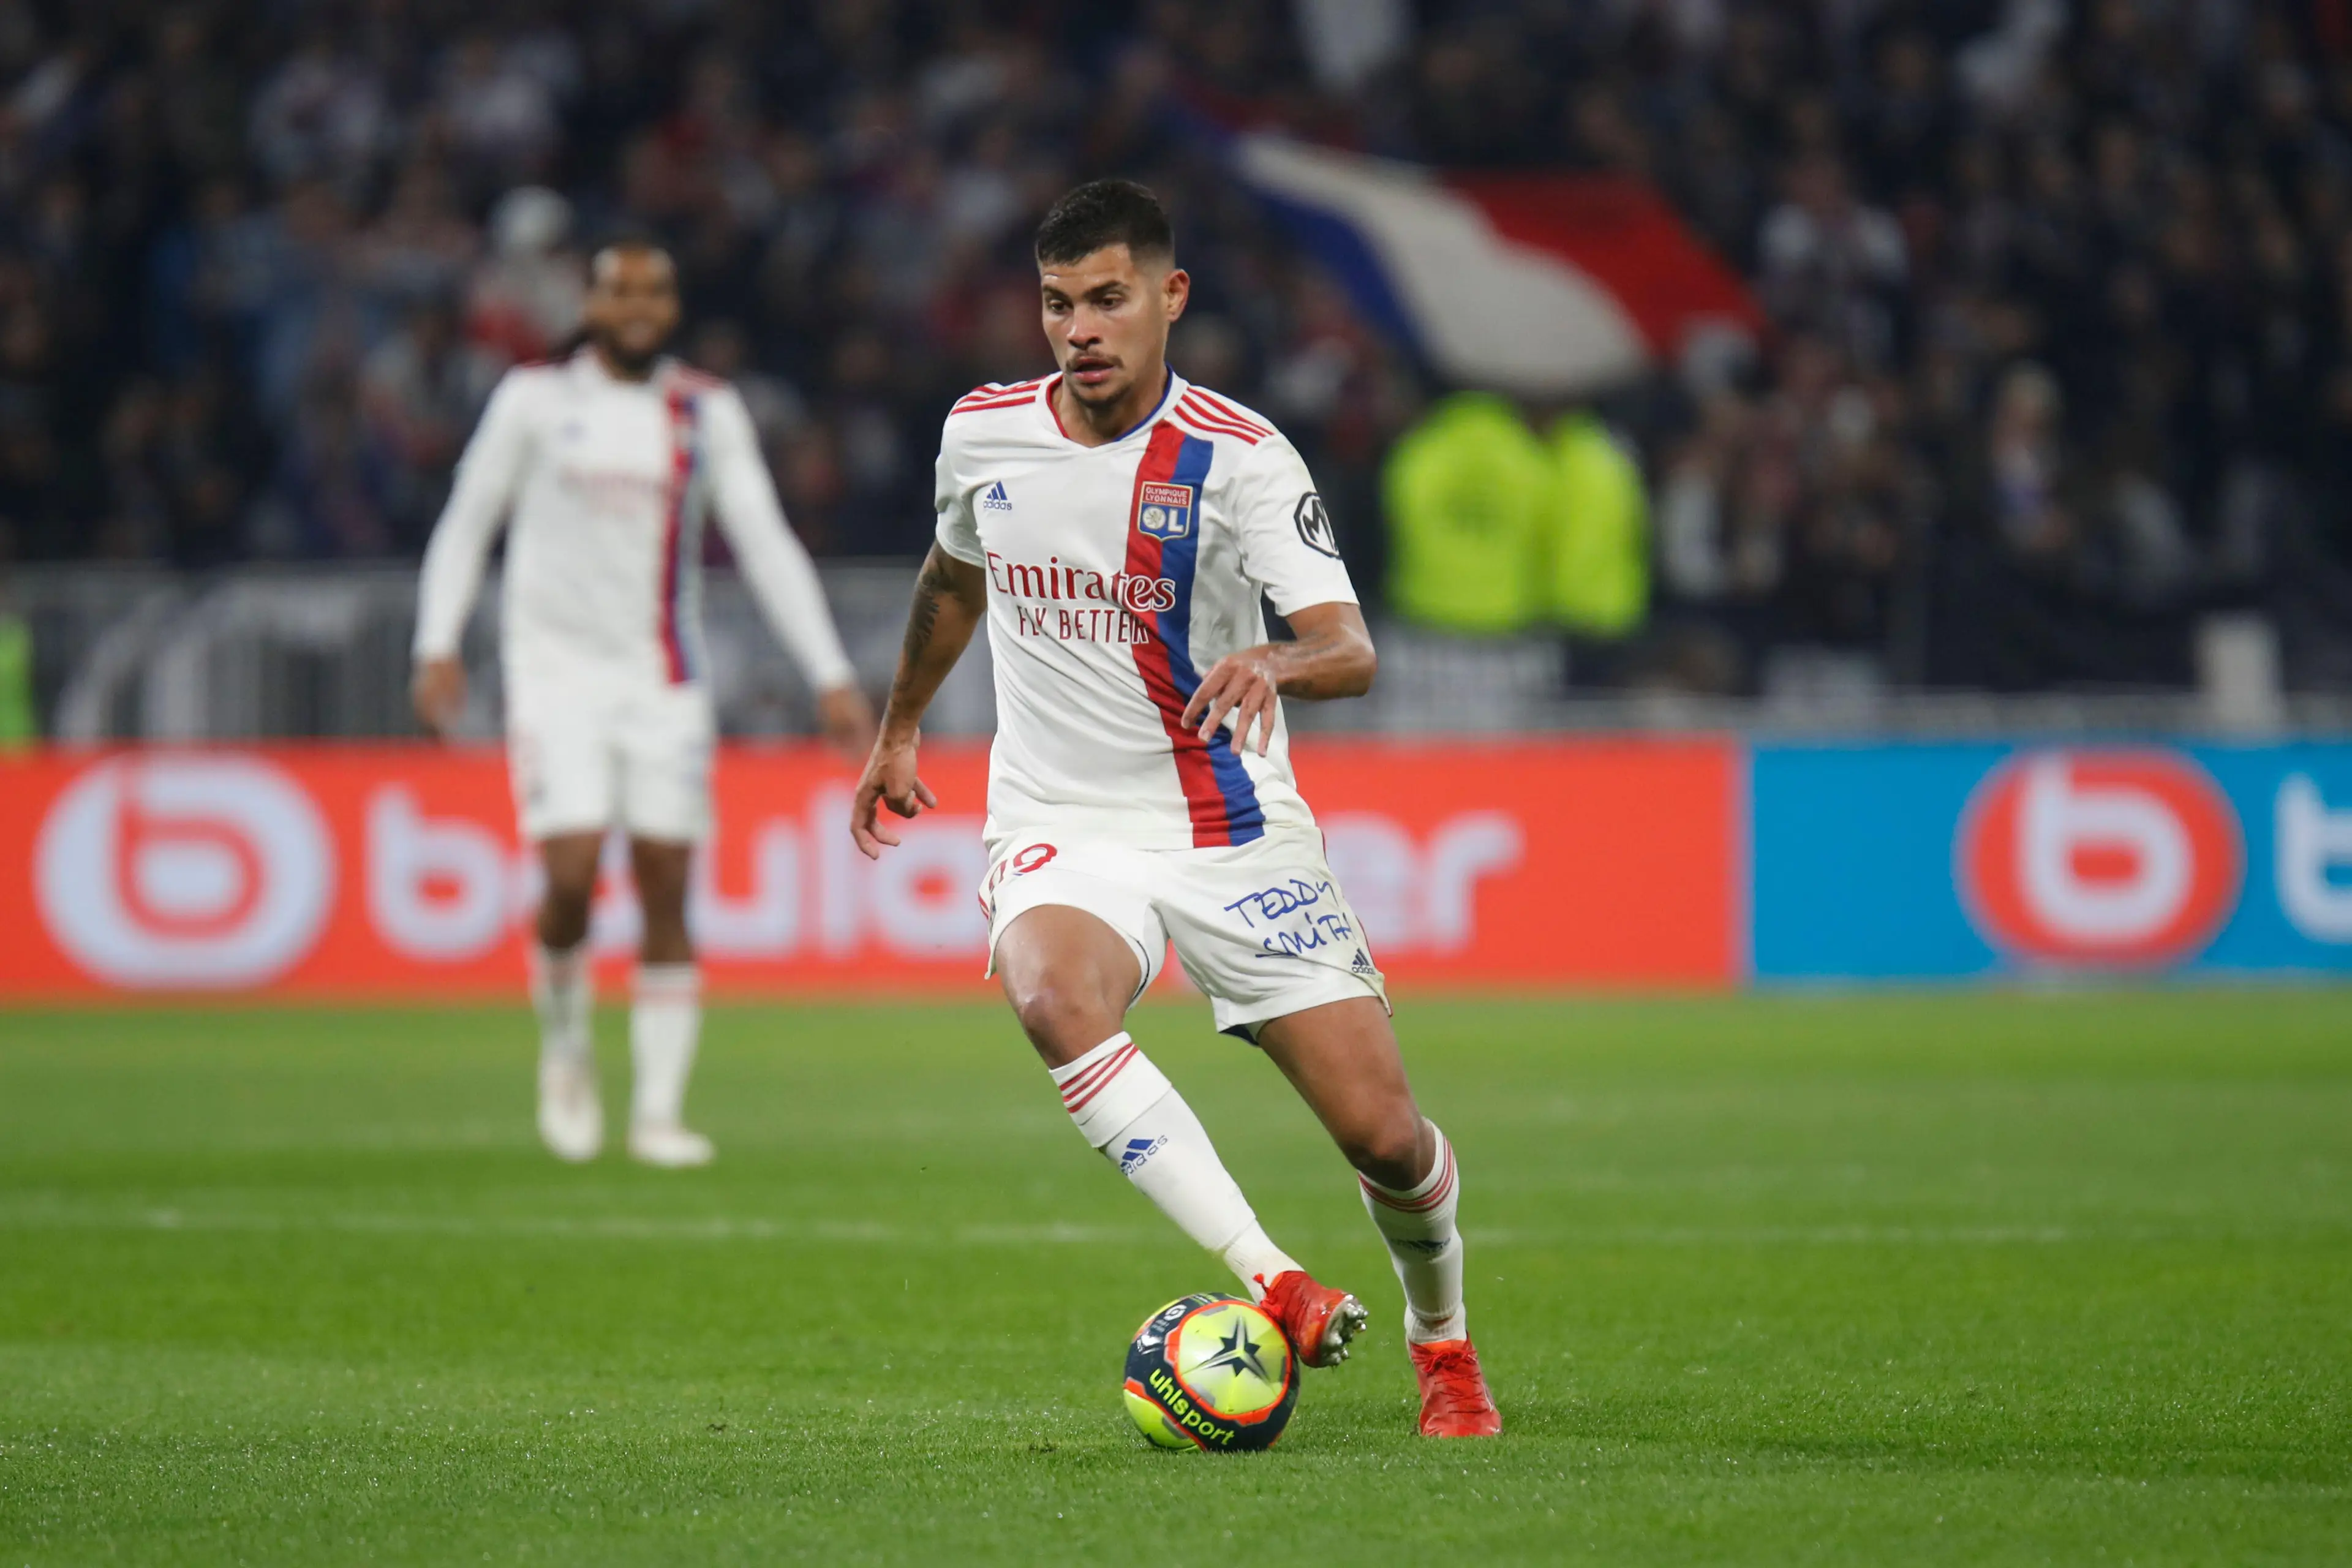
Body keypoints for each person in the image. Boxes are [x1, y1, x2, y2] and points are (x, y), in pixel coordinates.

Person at [850, 181, 1501, 1438]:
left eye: (1106, 298)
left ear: (1168, 297)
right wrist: (898, 727)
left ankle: (1445, 1341)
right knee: (1051, 994)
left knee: (1388, 1139)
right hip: (1061, 820)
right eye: (1056, 303)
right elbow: (952, 575)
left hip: (1230, 829)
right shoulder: (983, 433)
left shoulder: (1240, 454)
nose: (1080, 328)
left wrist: (1275, 661)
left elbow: (1347, 644)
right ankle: (1278, 1278)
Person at [412, 239, 873, 1167]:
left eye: (654, 291)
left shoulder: (704, 409)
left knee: (667, 881)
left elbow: (766, 540)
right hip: (552, 676)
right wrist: (436, 641)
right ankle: (568, 1048)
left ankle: (659, 1112)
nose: (636, 305)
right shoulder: (534, 402)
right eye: (618, 289)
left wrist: (828, 669)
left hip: (663, 679)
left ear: (672, 307)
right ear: (589, 301)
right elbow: (468, 522)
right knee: (573, 872)